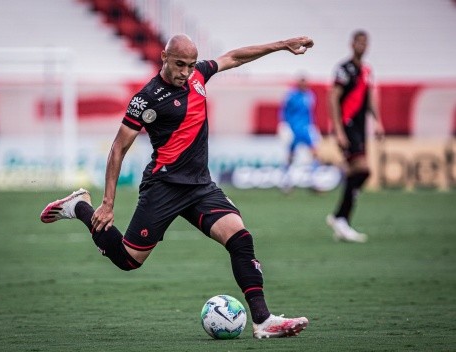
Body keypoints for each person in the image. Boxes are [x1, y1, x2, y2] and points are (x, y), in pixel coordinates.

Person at [40, 34, 313, 339]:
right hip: (163, 187)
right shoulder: (147, 98)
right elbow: (118, 148)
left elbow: (234, 56)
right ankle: (79, 206)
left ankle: (263, 321)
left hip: (199, 186)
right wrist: (107, 202)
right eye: (179, 64)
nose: (185, 72)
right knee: (129, 260)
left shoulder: (198, 76)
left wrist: (281, 45)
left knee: (240, 238)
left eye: (191, 65)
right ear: (164, 57)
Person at [326, 30, 384, 243]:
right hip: (347, 125)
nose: (362, 46)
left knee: (358, 174)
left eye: (365, 43)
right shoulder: (344, 69)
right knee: (363, 169)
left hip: (360, 128)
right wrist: (339, 130)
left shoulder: (367, 71)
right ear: (352, 44)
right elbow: (333, 98)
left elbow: (370, 99)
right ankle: (341, 218)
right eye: (359, 42)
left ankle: (340, 217)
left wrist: (378, 122)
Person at [278, 73, 321, 192]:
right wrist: (284, 125)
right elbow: (284, 111)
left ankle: (314, 181)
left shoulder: (310, 95)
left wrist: (313, 126)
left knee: (315, 153)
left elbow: (309, 113)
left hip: (306, 129)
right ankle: (286, 181)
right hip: (294, 129)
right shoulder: (291, 95)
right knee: (291, 156)